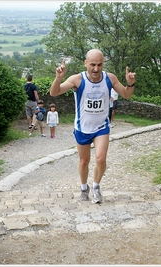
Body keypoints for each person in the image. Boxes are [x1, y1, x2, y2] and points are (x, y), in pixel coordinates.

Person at [50, 49, 136, 204]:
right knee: (84, 161)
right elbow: (54, 92)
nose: (96, 69)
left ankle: (96, 186)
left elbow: (126, 94)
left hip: (101, 127)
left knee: (101, 158)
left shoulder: (109, 78)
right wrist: (58, 78)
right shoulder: (78, 79)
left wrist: (130, 84)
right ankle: (84, 188)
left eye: (100, 65)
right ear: (86, 63)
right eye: (93, 65)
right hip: (82, 128)